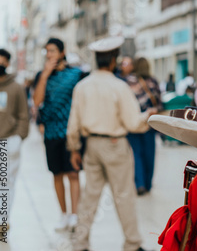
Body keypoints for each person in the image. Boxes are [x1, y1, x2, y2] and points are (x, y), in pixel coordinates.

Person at [67, 36, 155, 251]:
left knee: (90, 197)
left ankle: (80, 243)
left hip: (92, 146)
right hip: (115, 145)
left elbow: (73, 124)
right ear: (114, 60)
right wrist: (148, 117)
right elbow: (133, 122)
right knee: (123, 195)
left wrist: (74, 149)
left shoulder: (82, 86)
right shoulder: (119, 86)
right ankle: (132, 244)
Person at [32, 38, 84, 231]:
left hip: (71, 133)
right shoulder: (41, 76)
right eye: (46, 51)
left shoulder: (76, 74)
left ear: (62, 53)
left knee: (73, 173)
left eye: (52, 50)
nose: (49, 54)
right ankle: (63, 214)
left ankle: (75, 215)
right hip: (51, 133)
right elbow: (37, 102)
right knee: (57, 175)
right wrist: (44, 75)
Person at [0, 49, 29, 233]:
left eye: (2, 61)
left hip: (7, 142)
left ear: (7, 63)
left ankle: (3, 219)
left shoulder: (16, 87)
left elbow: (24, 114)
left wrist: (19, 136)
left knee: (5, 182)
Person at [125, 57, 162, 195]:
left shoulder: (128, 81)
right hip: (149, 123)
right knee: (149, 154)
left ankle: (139, 183)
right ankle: (148, 183)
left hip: (133, 123)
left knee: (136, 154)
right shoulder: (153, 82)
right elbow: (159, 103)